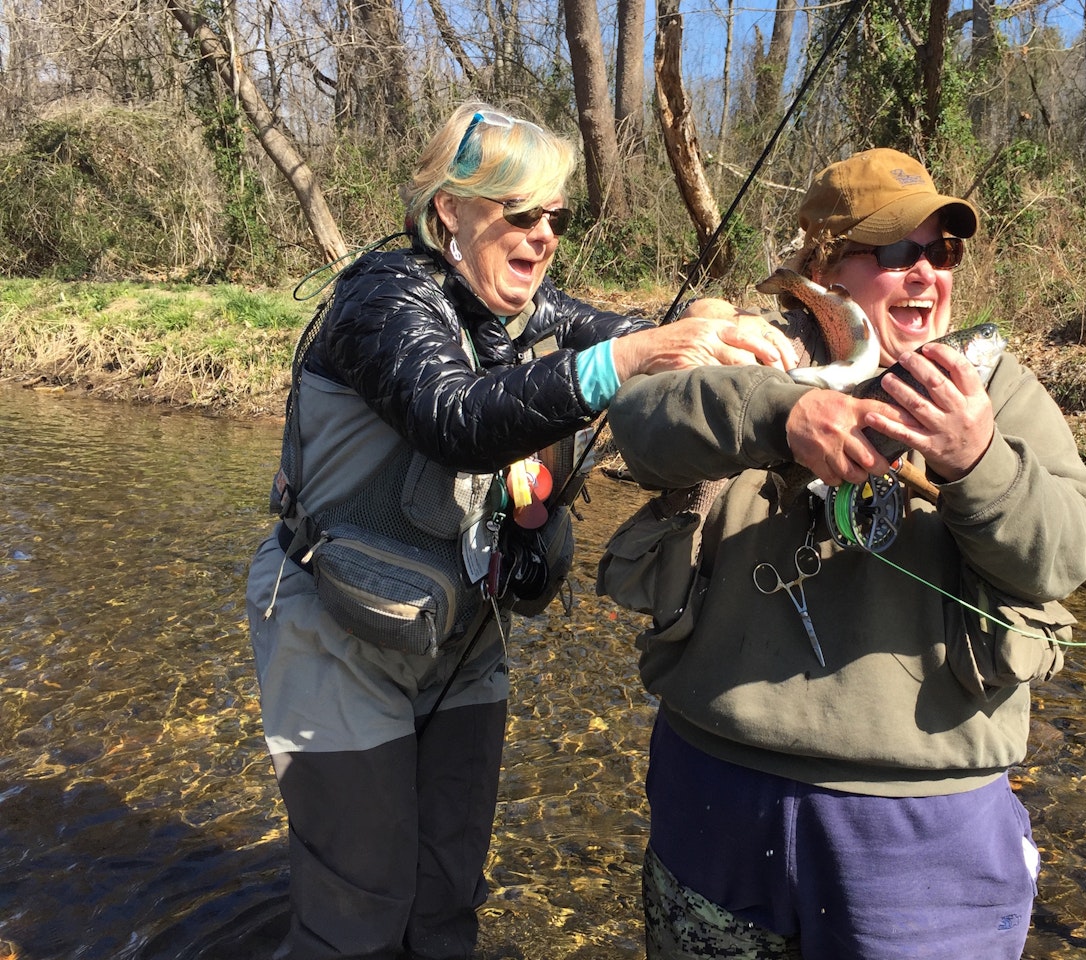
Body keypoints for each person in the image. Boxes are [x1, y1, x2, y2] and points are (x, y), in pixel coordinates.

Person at [243, 101, 795, 960]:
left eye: (556, 219)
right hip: (336, 638)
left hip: (461, 637)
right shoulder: (381, 299)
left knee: (447, 896)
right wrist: (632, 359)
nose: (542, 237)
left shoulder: (517, 305)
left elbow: (615, 331)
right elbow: (454, 415)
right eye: (520, 212)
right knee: (358, 910)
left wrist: (705, 334)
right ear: (448, 212)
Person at [599, 148, 1086, 959]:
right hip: (716, 797)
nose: (927, 273)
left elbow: (1070, 556)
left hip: (925, 832)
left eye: (943, 252)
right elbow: (637, 423)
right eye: (898, 250)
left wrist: (978, 461)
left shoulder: (994, 388)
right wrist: (782, 416)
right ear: (824, 265)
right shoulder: (751, 352)